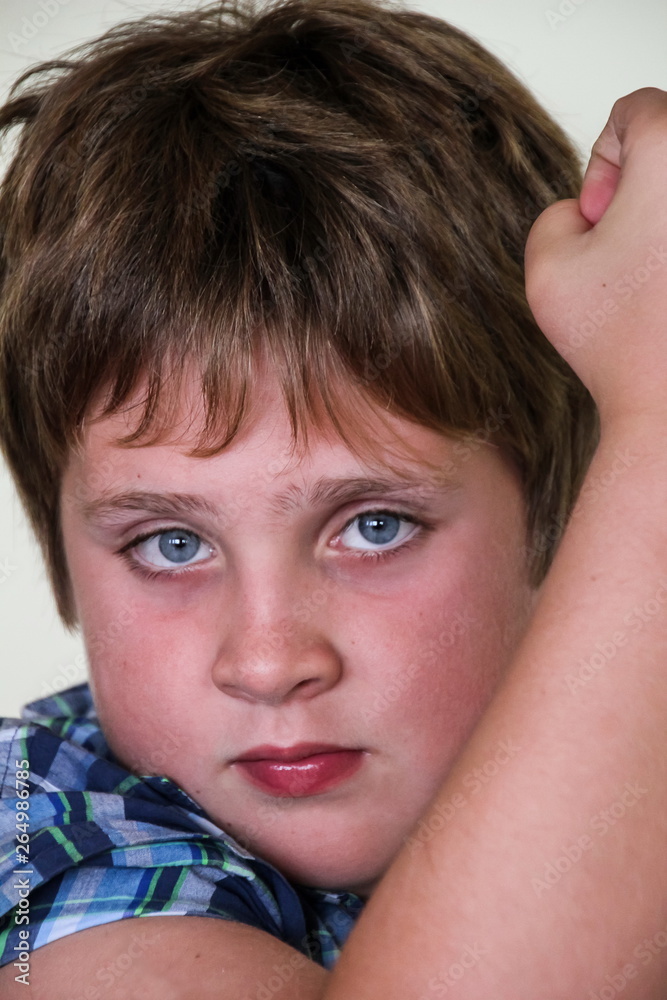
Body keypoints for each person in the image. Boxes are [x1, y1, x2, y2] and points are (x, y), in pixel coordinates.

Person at [0, 0, 665, 996]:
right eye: (171, 543)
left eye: (373, 526)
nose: (269, 662)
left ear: (565, 517)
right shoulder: (39, 818)